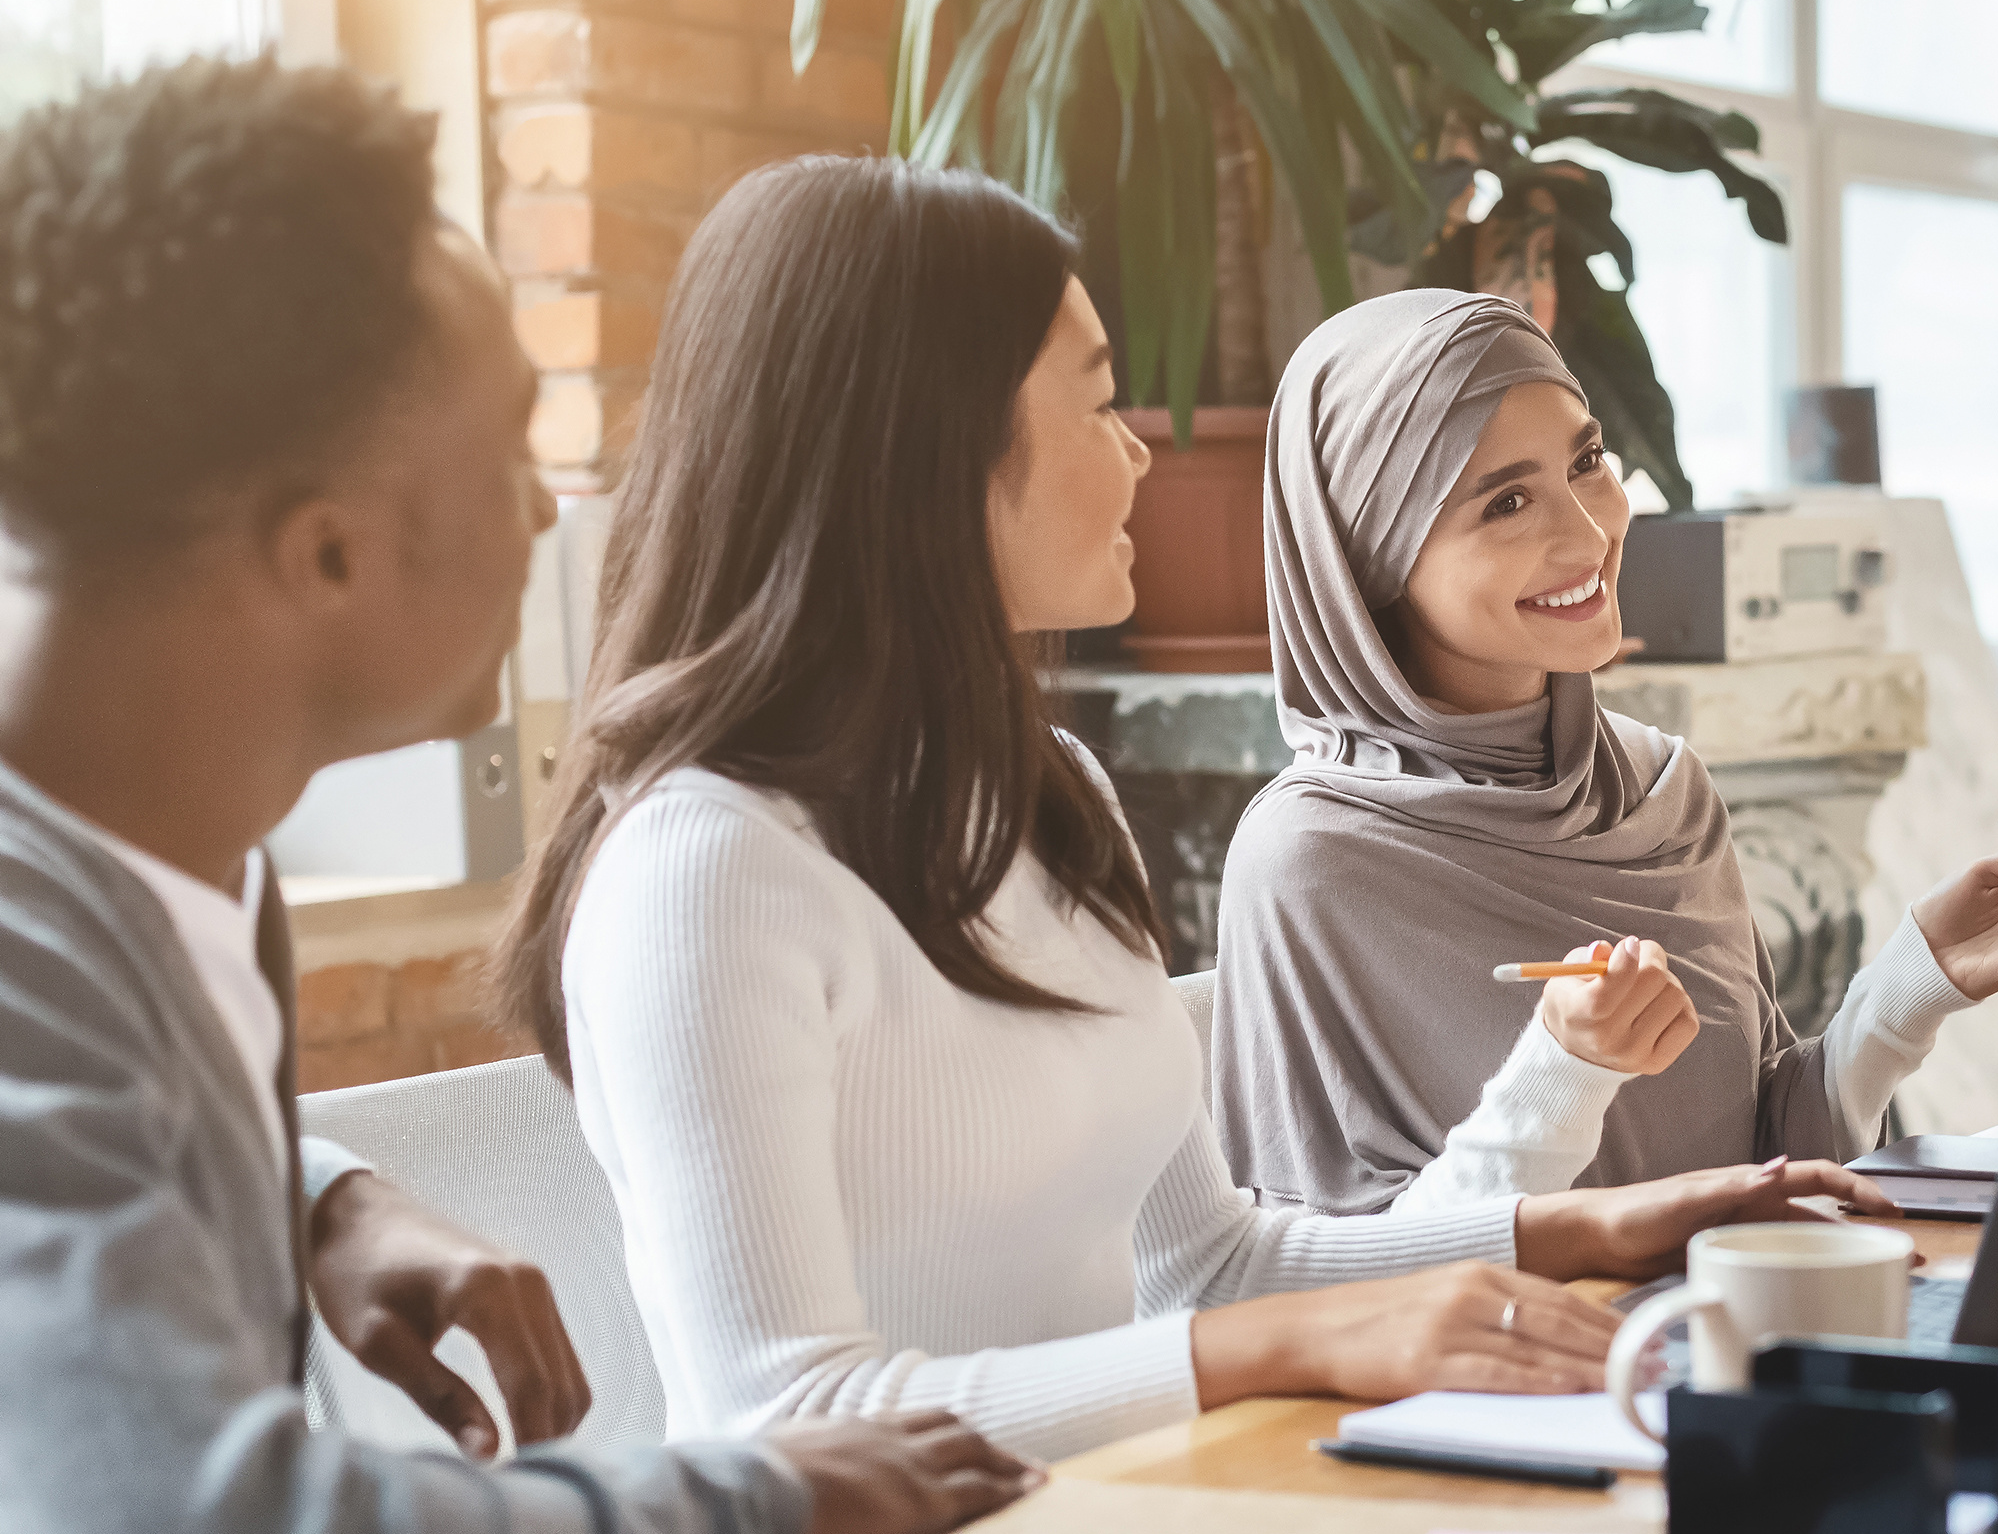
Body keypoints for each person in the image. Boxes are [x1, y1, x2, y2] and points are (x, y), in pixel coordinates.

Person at [493, 160, 1887, 1465]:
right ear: (931, 454)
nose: (1145, 454)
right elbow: (783, 1418)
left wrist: (1592, 1226)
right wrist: (1289, 1341)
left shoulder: (1053, 798)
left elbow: (1214, 1260)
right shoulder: (705, 864)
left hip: (1122, 1531)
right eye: (1098, 404)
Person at [0, 63, 1035, 1534]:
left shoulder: (158, 855)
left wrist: (319, 1193)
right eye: (508, 443)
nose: (551, 509)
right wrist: (762, 1490)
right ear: (326, 555)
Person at [1211, 289, 1998, 1216]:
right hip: (1519, 1384)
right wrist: (1564, 1076)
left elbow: (1761, 1150)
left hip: (1720, 1343)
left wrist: (1906, 987)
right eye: (1505, 502)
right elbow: (1343, 1285)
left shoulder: (1660, 787)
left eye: (1586, 460)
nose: (1588, 529)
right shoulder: (1311, 865)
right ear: (1368, 559)